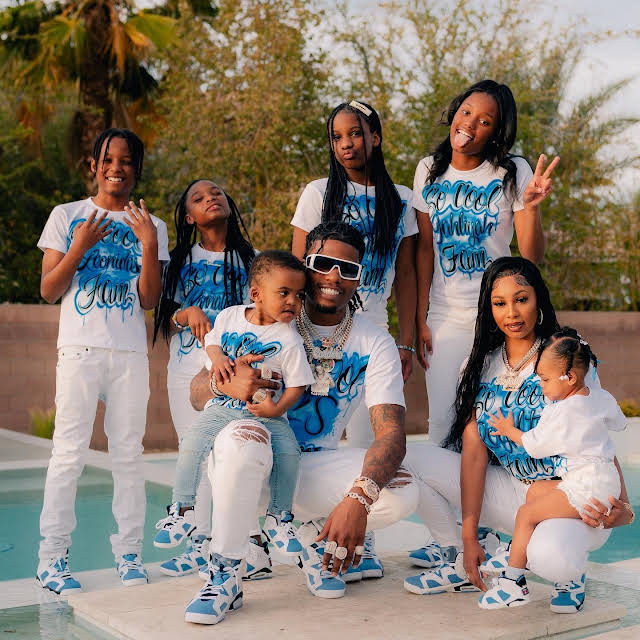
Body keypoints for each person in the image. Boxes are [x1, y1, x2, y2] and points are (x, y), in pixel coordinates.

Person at [185, 222, 417, 625]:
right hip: (250, 463)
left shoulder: (374, 341)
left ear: (359, 278)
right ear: (304, 265)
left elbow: (392, 433)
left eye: (348, 269)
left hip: (311, 468)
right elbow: (195, 394)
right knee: (243, 437)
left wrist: (357, 501)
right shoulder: (264, 316)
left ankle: (310, 536)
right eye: (323, 264)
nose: (334, 277)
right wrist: (224, 383)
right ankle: (224, 573)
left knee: (402, 490)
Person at [403, 257, 634, 613]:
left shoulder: (565, 355)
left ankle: (569, 573)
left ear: (538, 299)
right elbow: (474, 451)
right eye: (500, 303)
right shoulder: (480, 364)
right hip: (515, 490)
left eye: (521, 299)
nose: (511, 313)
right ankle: (465, 559)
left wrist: (625, 507)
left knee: (551, 558)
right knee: (409, 460)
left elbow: (595, 436)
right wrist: (468, 535)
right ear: (489, 308)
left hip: (571, 496)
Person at [410, 78, 558, 568]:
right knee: (442, 427)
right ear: (455, 112)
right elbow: (424, 250)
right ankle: (448, 537)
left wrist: (531, 207)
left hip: (498, 317)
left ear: (497, 132)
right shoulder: (428, 169)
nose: (470, 124)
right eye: (466, 112)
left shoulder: (512, 171)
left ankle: (491, 534)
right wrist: (419, 318)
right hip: (445, 315)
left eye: (485, 120)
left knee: (491, 426)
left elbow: (529, 258)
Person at [36, 128, 169, 593]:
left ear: (137, 169)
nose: (117, 167)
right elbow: (48, 290)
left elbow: (149, 299)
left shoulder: (152, 226)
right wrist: (79, 246)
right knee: (68, 452)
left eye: (127, 160)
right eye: (108, 159)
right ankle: (51, 559)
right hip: (80, 350)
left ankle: (128, 554)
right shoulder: (67, 215)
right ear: (93, 165)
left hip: (129, 354)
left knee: (128, 455)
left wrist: (148, 243)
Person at [291, 100, 418, 575]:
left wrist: (406, 339)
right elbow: (297, 266)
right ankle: (300, 532)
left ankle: (361, 543)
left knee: (372, 442)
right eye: (337, 136)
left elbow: (407, 274)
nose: (346, 144)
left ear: (376, 137)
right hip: (317, 327)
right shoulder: (318, 192)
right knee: (313, 434)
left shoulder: (401, 198)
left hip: (371, 333)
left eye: (356, 133)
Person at [153, 250, 313, 561]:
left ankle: (279, 518)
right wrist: (217, 359)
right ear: (256, 294)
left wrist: (277, 410)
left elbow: (298, 385)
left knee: (289, 453)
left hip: (265, 413)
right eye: (284, 293)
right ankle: (182, 510)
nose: (293, 301)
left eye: (299, 295)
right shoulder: (230, 316)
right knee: (191, 442)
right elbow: (211, 341)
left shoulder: (290, 339)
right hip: (222, 405)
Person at [478, 327, 627, 609]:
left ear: (569, 377)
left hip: (586, 487)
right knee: (536, 491)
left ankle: (513, 582)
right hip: (603, 481)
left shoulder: (563, 412)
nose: (541, 385)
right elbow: (619, 422)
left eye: (545, 379)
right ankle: (520, 549)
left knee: (526, 514)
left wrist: (509, 430)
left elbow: (535, 446)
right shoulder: (599, 397)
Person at [152, 179, 255, 577]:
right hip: (184, 370)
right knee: (193, 454)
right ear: (190, 218)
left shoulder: (251, 259)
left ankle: (244, 546)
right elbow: (162, 315)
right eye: (198, 198)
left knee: (231, 455)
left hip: (231, 372)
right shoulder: (179, 260)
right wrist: (186, 313)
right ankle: (200, 544)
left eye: (216, 193)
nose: (211, 198)